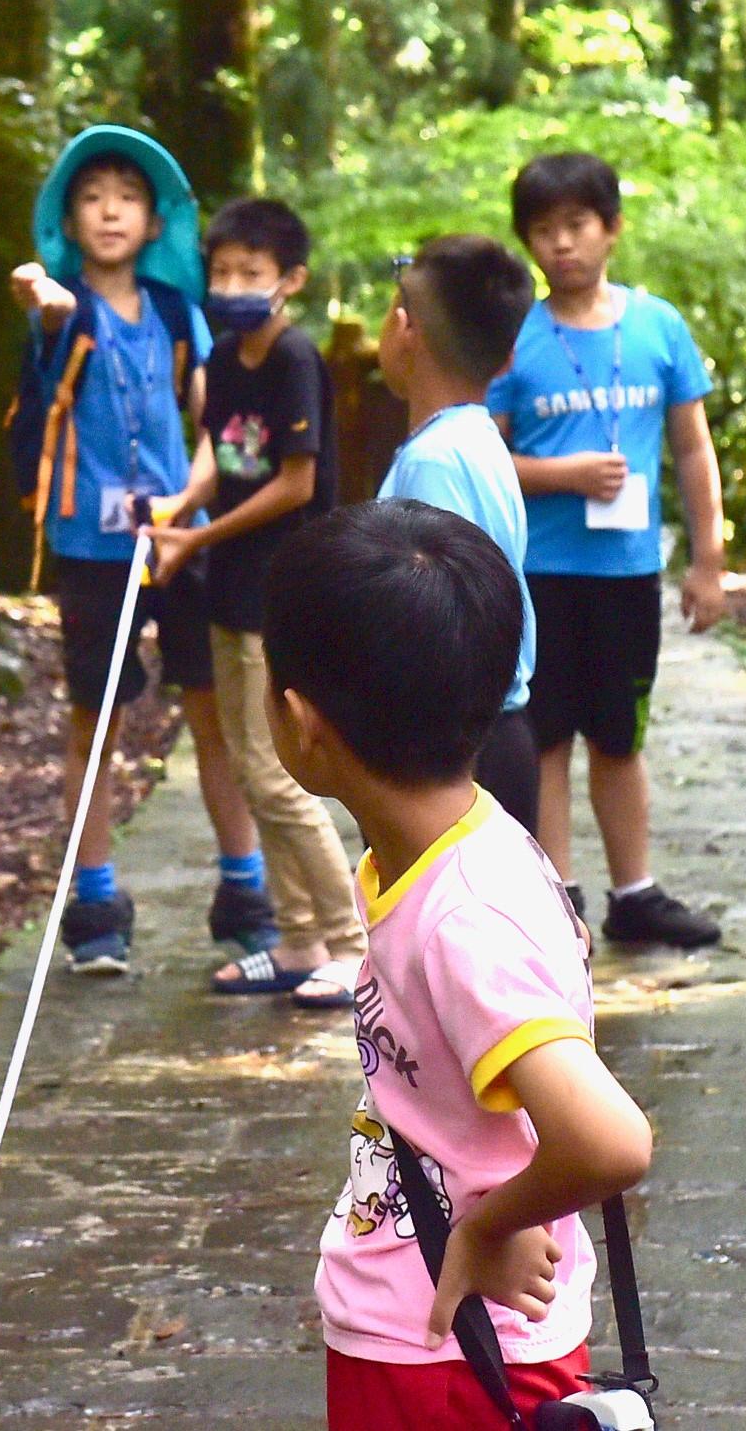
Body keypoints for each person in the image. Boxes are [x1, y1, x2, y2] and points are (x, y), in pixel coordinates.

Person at [261, 499, 655, 1429]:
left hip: (451, 1353)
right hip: (446, 1331)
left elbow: (612, 1141)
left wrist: (483, 1228)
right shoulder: (452, 842)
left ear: (301, 721)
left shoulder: (464, 918)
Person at [8, 125, 248, 977]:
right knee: (96, 717)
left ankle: (246, 890)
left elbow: (216, 419)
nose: (110, 211)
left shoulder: (179, 313)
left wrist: (191, 503)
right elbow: (42, 312)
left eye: (128, 197)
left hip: (181, 537)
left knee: (212, 709)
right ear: (68, 218)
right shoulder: (63, 309)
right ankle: (96, 903)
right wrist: (41, 297)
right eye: (91, 196)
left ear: (154, 221)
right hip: (91, 543)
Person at [490, 152, 727, 949]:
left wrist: (708, 559)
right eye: (543, 231)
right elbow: (487, 453)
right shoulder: (515, 338)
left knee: (620, 736)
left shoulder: (658, 326)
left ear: (612, 229)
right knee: (547, 737)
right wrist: (563, 475)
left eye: (577, 225)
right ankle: (557, 899)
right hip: (540, 572)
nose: (562, 245)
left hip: (628, 571)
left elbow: (692, 447)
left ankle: (635, 894)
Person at [144, 197, 367, 1009]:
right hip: (230, 585)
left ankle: (352, 943)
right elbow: (220, 449)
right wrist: (180, 506)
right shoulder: (224, 356)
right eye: (223, 271)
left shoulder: (295, 358)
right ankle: (298, 938)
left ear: (290, 280)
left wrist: (196, 537)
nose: (233, 286)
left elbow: (295, 484)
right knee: (247, 764)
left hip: (284, 585)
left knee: (278, 777)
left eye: (252, 272)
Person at [373, 233, 542, 834]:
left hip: (454, 757)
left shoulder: (435, 461)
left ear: (404, 329)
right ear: (506, 359)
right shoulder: (477, 438)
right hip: (491, 741)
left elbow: (436, 624)